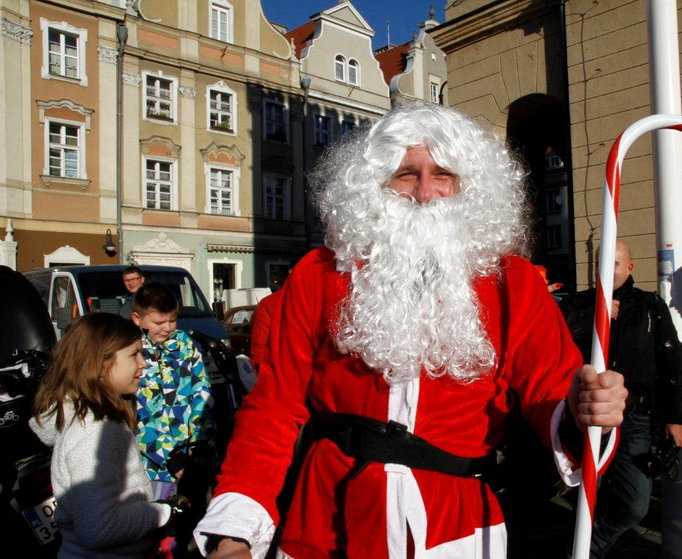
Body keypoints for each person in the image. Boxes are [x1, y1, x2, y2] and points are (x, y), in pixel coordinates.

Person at [193, 104, 627, 559]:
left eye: (443, 174)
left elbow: (553, 394)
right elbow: (274, 409)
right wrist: (235, 529)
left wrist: (584, 410)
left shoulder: (512, 283)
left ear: (469, 187)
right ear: (373, 186)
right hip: (326, 522)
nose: (424, 193)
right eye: (405, 174)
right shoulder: (319, 274)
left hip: (454, 530)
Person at [560, 240, 682, 558]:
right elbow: (554, 335)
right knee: (584, 490)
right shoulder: (579, 304)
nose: (607, 271)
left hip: (635, 418)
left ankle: (590, 547)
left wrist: (676, 416)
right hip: (586, 413)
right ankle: (580, 546)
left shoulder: (649, 306)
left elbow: (672, 362)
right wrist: (594, 314)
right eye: (601, 264)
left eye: (614, 264)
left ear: (629, 267)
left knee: (634, 503)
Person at [29, 313, 187, 558]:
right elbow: (99, 528)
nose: (143, 363)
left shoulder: (88, 422)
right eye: (134, 354)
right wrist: (164, 511)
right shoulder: (96, 431)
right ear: (101, 364)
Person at [131, 283, 214, 499]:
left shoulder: (184, 345)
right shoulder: (131, 352)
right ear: (137, 318)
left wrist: (198, 441)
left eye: (172, 320)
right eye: (159, 322)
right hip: (150, 464)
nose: (167, 327)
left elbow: (202, 392)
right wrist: (168, 455)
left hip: (189, 455)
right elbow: (135, 412)